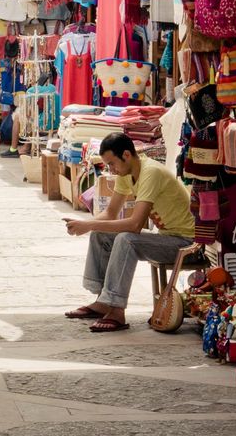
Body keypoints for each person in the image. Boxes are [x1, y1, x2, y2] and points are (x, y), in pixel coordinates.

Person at [63, 132, 195, 333]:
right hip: (168, 238)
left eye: (112, 164)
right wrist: (84, 223)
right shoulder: (127, 174)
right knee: (100, 235)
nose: (111, 170)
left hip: (187, 244)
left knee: (126, 239)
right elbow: (109, 213)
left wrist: (88, 226)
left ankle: (116, 309)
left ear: (126, 155)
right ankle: (103, 301)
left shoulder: (150, 172)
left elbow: (135, 225)